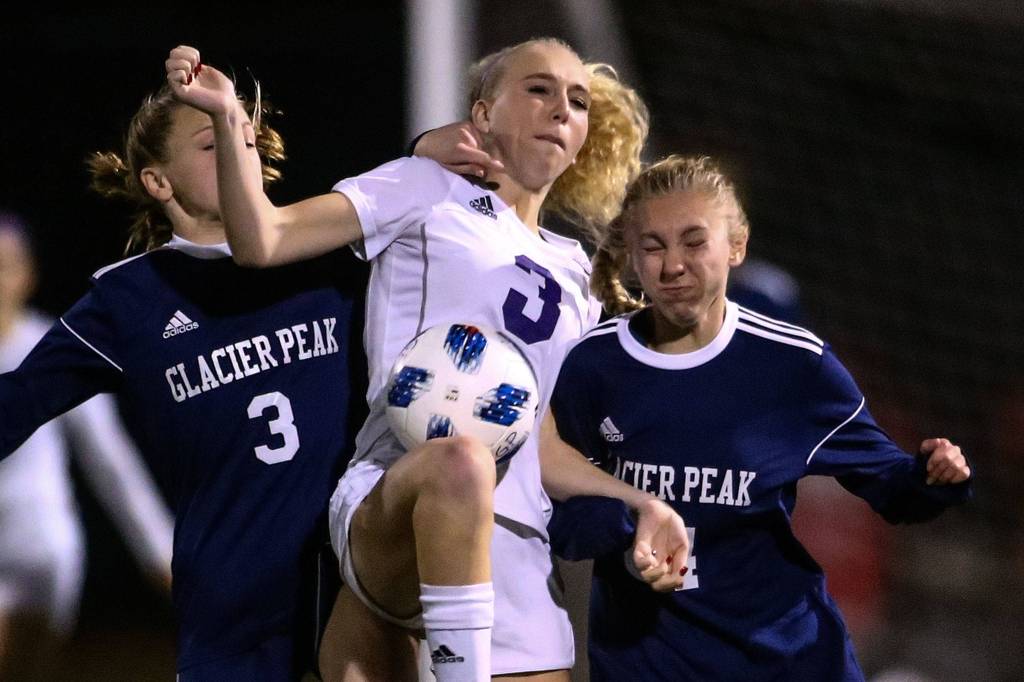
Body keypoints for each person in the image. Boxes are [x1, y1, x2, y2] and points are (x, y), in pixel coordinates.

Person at [165, 38, 689, 681]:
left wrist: (642, 502)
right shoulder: (424, 186)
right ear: (483, 113)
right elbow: (264, 241)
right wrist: (224, 116)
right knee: (461, 459)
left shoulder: (576, 274)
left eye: (577, 101)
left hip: (518, 547)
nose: (560, 108)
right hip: (401, 496)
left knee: (475, 464)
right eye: (539, 89)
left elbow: (540, 440)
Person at [547, 155, 972, 681]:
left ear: (737, 246)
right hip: (648, 661)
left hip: (785, 660)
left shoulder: (794, 364)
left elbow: (892, 488)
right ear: (631, 257)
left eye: (694, 242)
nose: (672, 265)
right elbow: (563, 518)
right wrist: (627, 526)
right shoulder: (595, 366)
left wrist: (930, 476)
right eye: (653, 246)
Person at [0, 83, 366, 680]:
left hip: (348, 587)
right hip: (230, 608)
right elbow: (14, 403)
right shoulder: (130, 298)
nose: (236, 149)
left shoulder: (327, 254)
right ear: (158, 182)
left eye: (245, 137)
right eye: (212, 140)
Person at [0, 212, 173, 682]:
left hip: (39, 548)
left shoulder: (51, 348)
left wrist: (161, 552)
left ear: (28, 275)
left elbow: (110, 461)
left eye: (5, 266)